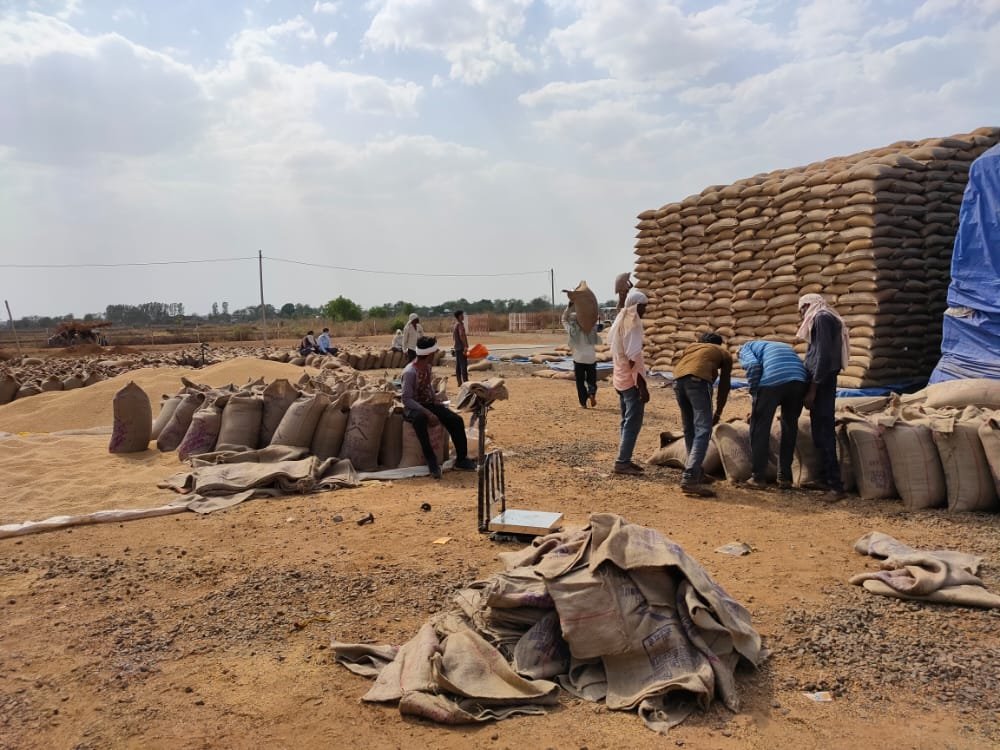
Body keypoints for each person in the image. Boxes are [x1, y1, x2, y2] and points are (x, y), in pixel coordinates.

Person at [400, 336, 478, 479]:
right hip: (413, 407)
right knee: (420, 420)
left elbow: (428, 386)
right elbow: (406, 399)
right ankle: (431, 462)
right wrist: (427, 413)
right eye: (434, 352)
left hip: (428, 404)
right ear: (429, 354)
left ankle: (461, 459)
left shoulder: (427, 367)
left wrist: (435, 398)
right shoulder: (410, 372)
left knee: (456, 420)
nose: (435, 354)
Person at [798, 293, 850, 502]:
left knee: (824, 431)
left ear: (809, 305)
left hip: (822, 382)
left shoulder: (821, 318)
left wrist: (813, 389)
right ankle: (825, 479)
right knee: (818, 431)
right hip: (820, 380)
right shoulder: (823, 318)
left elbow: (823, 356)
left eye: (801, 309)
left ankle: (836, 487)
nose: (801, 314)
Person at [738, 340, 808, 489]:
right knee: (790, 426)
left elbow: (753, 366)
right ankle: (784, 477)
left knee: (759, 428)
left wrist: (756, 394)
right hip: (800, 381)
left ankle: (758, 477)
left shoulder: (744, 348)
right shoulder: (781, 346)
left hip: (774, 380)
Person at [673, 332, 732, 497]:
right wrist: (718, 412)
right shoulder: (723, 353)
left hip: (677, 381)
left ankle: (695, 470)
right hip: (697, 382)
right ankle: (690, 477)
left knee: (689, 427)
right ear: (719, 344)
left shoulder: (692, 348)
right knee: (703, 430)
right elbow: (724, 386)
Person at [608, 289, 649, 475]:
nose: (644, 311)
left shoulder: (620, 321)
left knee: (626, 421)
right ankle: (622, 462)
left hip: (620, 379)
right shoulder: (632, 325)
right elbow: (633, 359)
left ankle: (624, 458)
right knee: (632, 423)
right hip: (631, 381)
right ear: (636, 306)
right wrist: (642, 387)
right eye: (643, 307)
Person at [562, 304, 599, 408]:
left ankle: (583, 403)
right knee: (591, 379)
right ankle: (591, 393)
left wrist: (569, 307)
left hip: (578, 359)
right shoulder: (591, 328)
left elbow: (563, 320)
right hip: (591, 358)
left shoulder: (572, 330)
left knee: (580, 381)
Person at [452, 310, 470, 386]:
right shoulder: (460, 325)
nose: (463, 316)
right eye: (462, 315)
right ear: (459, 316)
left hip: (457, 347)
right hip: (461, 347)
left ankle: (459, 382)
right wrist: (465, 346)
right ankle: (466, 382)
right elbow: (462, 335)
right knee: (463, 365)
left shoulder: (455, 325)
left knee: (458, 365)